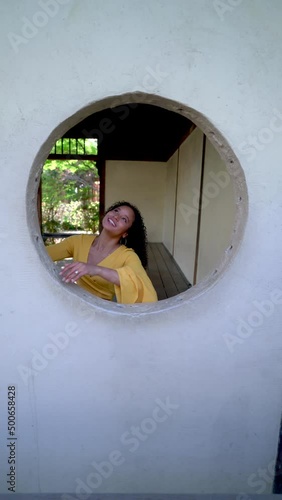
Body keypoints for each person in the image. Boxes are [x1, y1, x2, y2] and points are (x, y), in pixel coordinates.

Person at [46, 201, 158, 304]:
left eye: (124, 219)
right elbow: (41, 254)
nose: (116, 216)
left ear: (125, 233)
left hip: (102, 311)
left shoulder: (127, 256)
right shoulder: (78, 242)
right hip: (74, 301)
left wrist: (96, 269)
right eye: (116, 211)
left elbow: (138, 284)